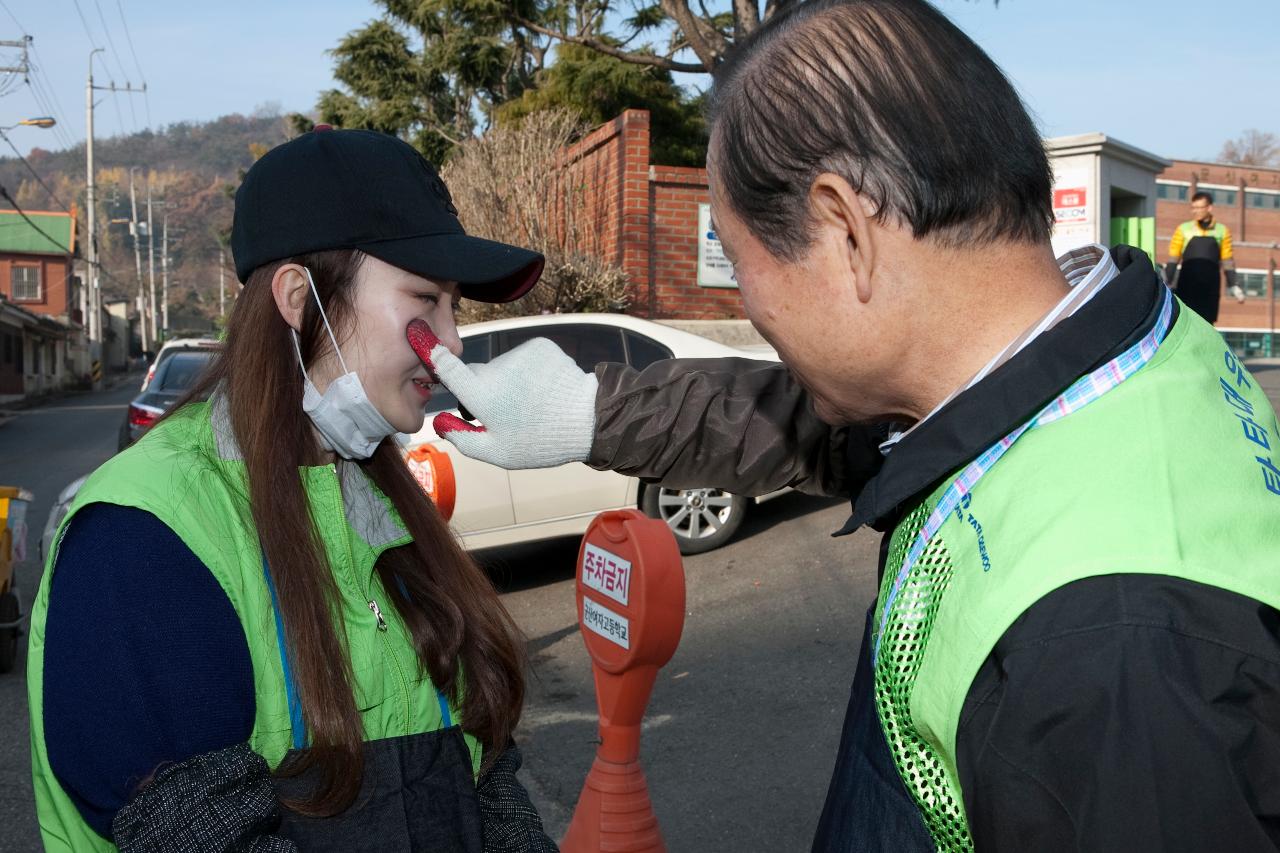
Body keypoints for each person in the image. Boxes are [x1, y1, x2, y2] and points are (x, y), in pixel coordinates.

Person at [408, 1, 1280, 850]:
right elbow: (803, 423)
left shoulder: (1114, 653)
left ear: (844, 231)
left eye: (740, 261)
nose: (752, 307)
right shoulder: (1092, 363)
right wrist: (587, 410)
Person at [28, 127, 558, 852]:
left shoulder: (382, 500)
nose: (453, 340)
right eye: (426, 299)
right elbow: (199, 830)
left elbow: (488, 782)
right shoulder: (142, 536)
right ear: (297, 298)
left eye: (455, 306)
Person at [1166, 189, 1244, 322]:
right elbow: (1173, 257)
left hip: (1211, 286)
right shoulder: (1183, 229)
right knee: (1185, 320)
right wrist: (1166, 280)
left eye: (1199, 207)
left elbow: (1227, 260)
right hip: (1187, 285)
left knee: (1207, 323)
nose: (1195, 211)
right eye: (1193, 207)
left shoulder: (1222, 231)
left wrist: (1233, 284)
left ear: (1209, 207)